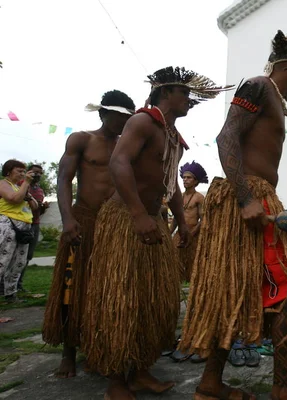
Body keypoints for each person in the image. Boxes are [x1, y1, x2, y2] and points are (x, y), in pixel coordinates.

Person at [179, 30, 287, 400]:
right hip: (244, 200)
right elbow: (226, 137)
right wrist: (246, 199)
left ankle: (211, 385)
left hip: (260, 199)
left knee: (233, 291)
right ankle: (282, 388)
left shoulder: (274, 99)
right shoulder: (259, 86)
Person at [81, 67, 231, 399]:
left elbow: (171, 184)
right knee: (122, 299)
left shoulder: (172, 136)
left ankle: (140, 370)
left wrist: (182, 222)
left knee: (155, 301)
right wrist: (137, 214)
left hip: (153, 221)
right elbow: (119, 163)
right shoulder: (141, 122)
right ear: (165, 93)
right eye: (183, 92)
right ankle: (116, 381)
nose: (189, 99)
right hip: (125, 219)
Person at [42, 90, 135, 379]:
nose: (122, 122)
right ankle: (68, 353)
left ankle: (98, 347)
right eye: (118, 116)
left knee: (107, 288)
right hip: (83, 220)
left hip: (114, 225)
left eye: (127, 118)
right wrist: (68, 219)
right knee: (74, 286)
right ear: (103, 114)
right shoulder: (81, 139)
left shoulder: (126, 145)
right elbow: (63, 178)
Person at [0, 159, 37, 302]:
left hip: (24, 228)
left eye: (23, 171)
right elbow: (13, 199)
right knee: (2, 261)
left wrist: (28, 196)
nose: (22, 174)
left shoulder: (19, 187)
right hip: (8, 225)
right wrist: (26, 183)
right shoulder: (3, 184)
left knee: (18, 263)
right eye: (19, 171)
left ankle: (10, 294)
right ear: (9, 171)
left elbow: (34, 207)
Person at [171, 161, 207, 282]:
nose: (185, 180)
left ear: (195, 181)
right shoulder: (179, 197)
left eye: (189, 178)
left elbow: (203, 220)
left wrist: (191, 234)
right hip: (180, 234)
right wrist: (168, 232)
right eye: (184, 177)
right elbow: (176, 218)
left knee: (192, 265)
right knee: (176, 263)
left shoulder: (199, 198)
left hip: (193, 234)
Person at [17, 163, 49, 292]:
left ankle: (18, 285)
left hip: (34, 224)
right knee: (15, 255)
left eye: (40, 173)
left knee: (27, 256)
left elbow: (37, 211)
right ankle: (5, 285)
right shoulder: (20, 185)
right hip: (19, 224)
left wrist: (43, 209)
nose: (38, 175)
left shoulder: (40, 190)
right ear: (28, 172)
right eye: (35, 172)